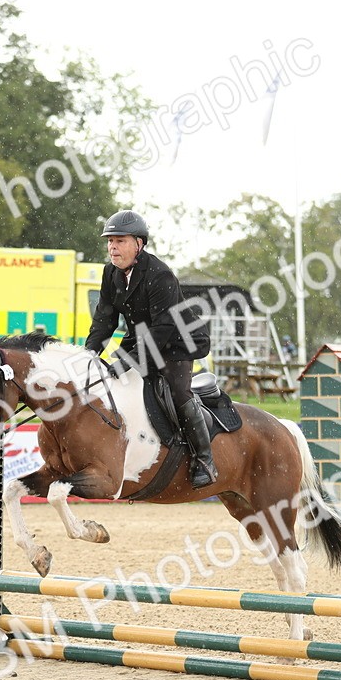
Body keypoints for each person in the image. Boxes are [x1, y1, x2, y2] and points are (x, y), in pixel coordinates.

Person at [85, 209, 217, 489]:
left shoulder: (160, 274)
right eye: (110, 241)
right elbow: (105, 319)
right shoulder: (110, 273)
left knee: (178, 392)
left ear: (139, 243)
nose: (112, 247)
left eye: (120, 241)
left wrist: (126, 362)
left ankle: (204, 459)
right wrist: (89, 353)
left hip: (176, 342)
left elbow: (162, 330)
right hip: (143, 337)